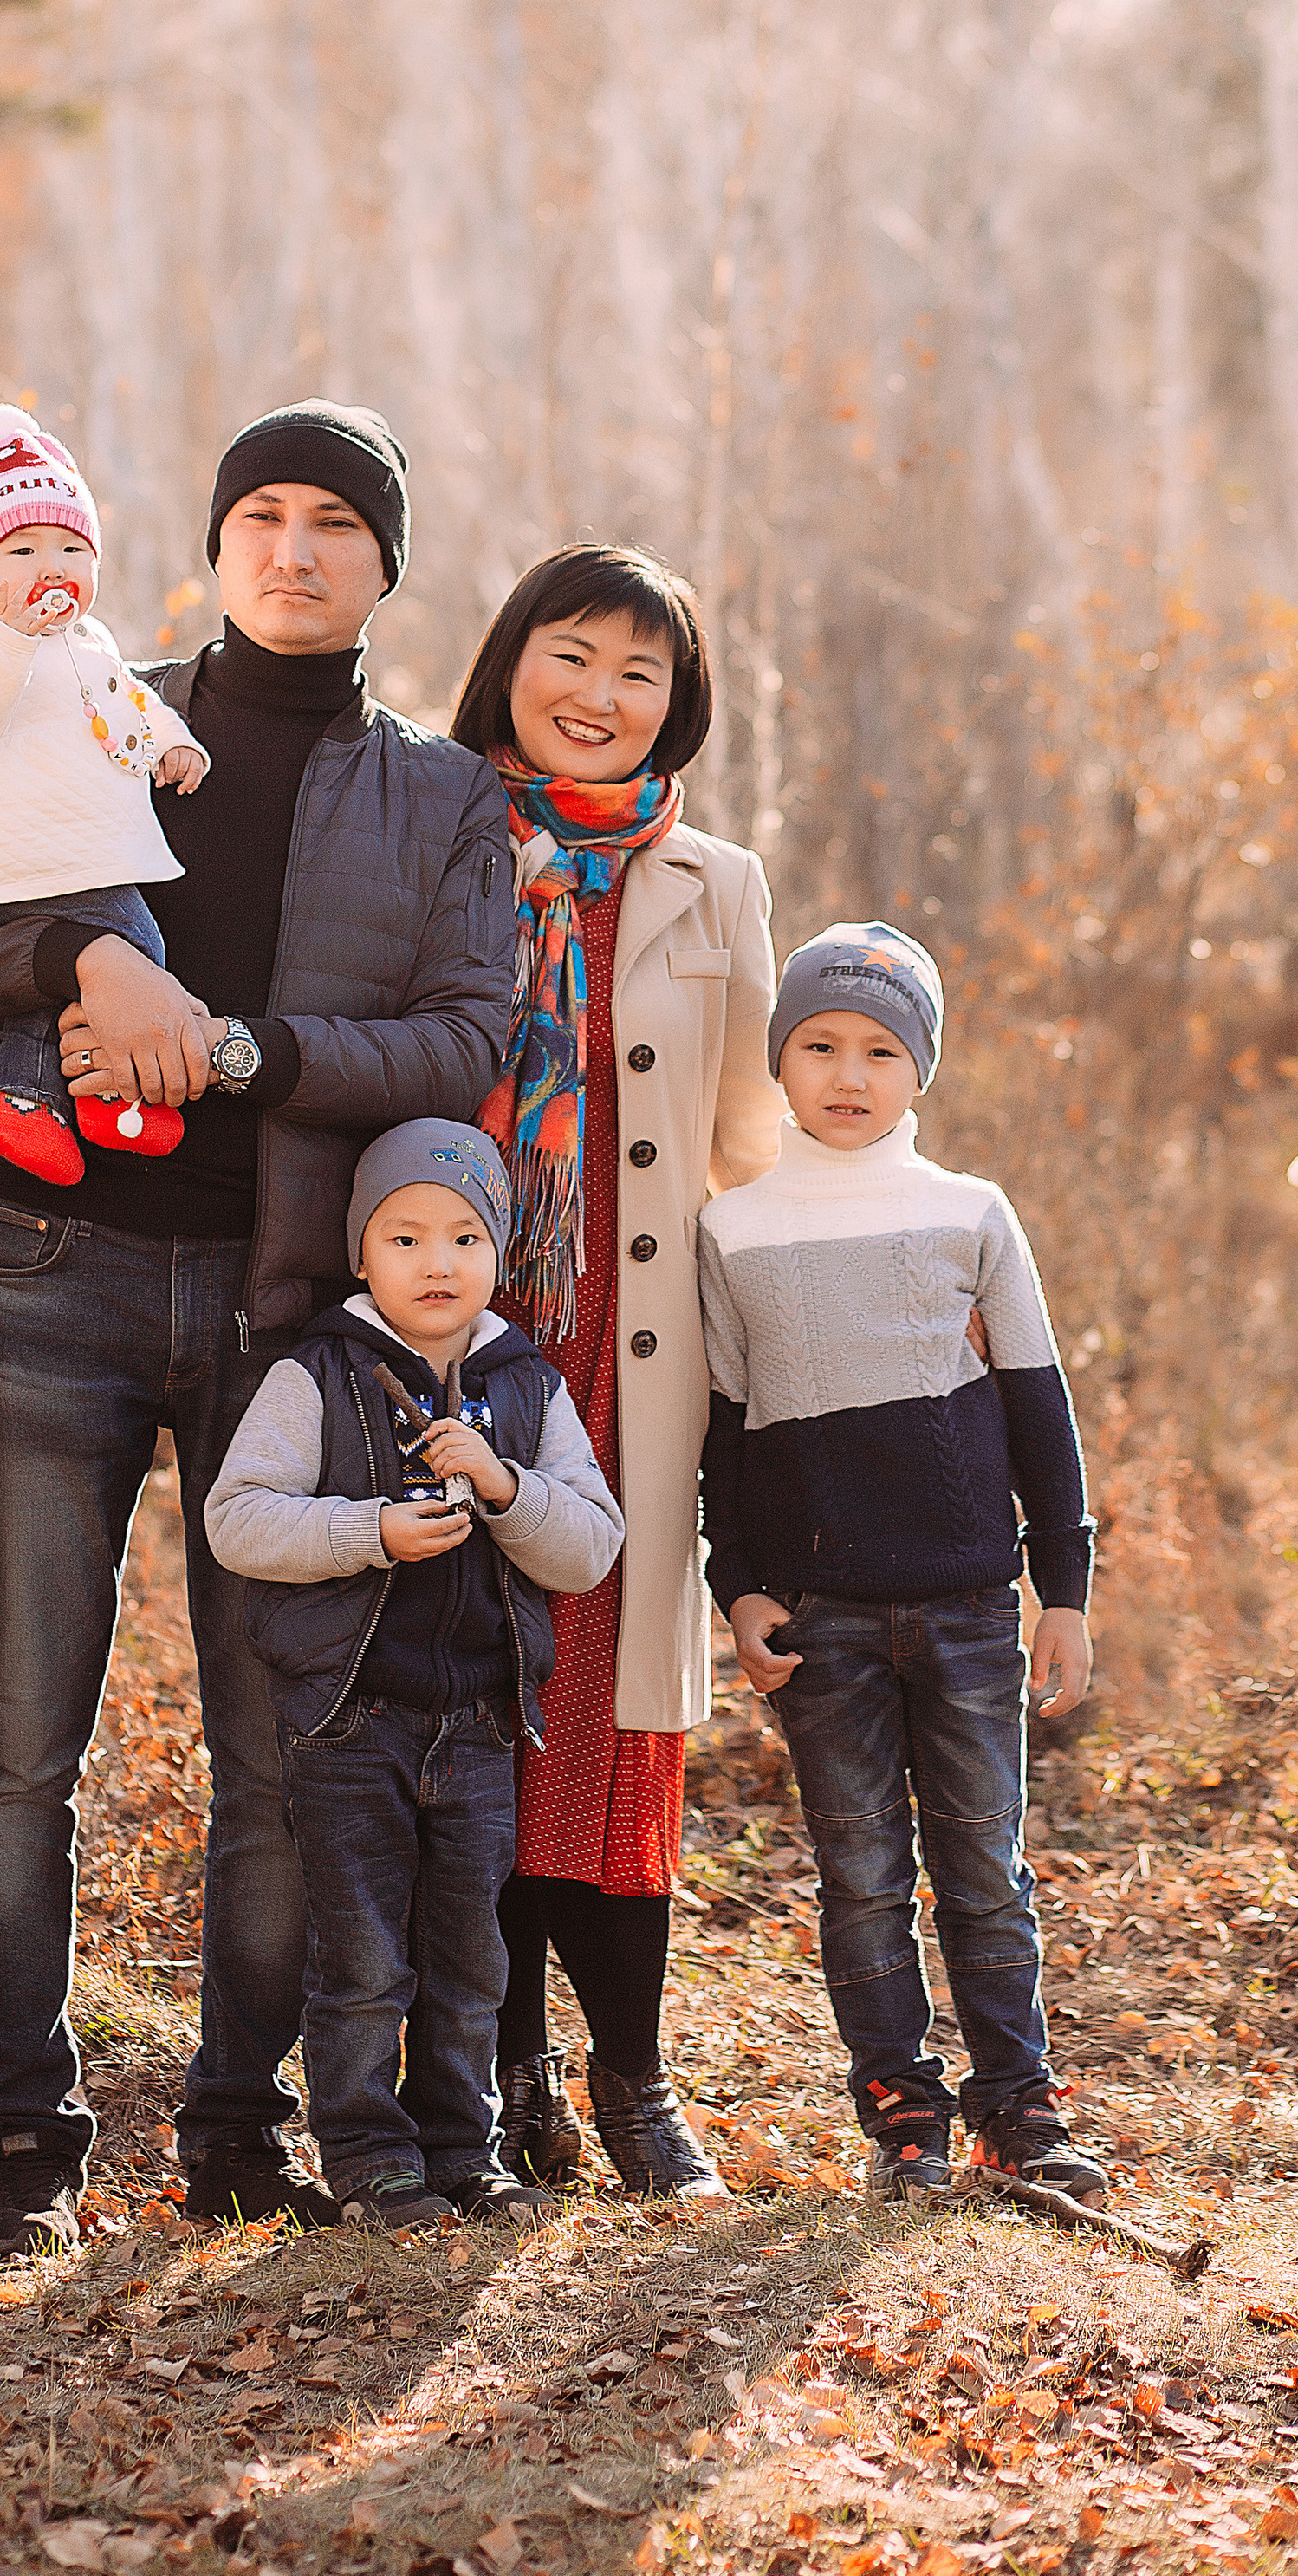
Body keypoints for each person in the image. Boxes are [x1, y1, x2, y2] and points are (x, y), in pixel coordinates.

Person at [0, 399, 519, 2252]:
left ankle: (233, 2133)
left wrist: (244, 1053)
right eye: (263, 513)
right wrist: (84, 954)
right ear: (214, 538)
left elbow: (469, 1040)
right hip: (46, 1274)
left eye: (336, 521)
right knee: (25, 1734)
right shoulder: (79, 688)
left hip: (288, 1313)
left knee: (276, 1741)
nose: (294, 546)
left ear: (385, 563)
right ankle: (23, 2145)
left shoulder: (435, 794)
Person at [449, 545, 779, 2201]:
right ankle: (504, 2071)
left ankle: (635, 2080)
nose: (598, 694)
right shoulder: (441, 836)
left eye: (639, 671)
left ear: (679, 703)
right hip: (469, 1346)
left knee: (620, 1719)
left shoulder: (716, 882)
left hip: (634, 1362)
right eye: (568, 654)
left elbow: (751, 1151)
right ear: (511, 659)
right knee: (492, 1708)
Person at [698, 920, 1107, 2200]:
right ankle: (901, 2108)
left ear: (920, 1069)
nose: (848, 1074)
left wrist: (1066, 1592)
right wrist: (740, 1580)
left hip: (971, 1605)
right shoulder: (735, 1228)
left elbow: (1041, 1409)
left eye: (881, 1049)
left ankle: (1018, 2100)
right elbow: (724, 1429)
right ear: (781, 1062)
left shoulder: (970, 1214)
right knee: (862, 1871)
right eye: (818, 1045)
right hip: (822, 1618)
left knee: (986, 1862)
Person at [205, 1122, 623, 2228]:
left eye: (463, 1237)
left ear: (498, 1253)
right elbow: (235, 1520)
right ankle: (368, 2157)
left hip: (480, 1726)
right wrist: (369, 1532)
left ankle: (462, 2150)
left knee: (467, 1958)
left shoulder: (525, 1387)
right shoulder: (319, 1372)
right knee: (362, 1958)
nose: (435, 1263)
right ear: (362, 1255)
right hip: (351, 1722)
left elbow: (590, 1545)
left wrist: (503, 1488)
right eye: (404, 1237)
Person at [0, 406, 210, 1190]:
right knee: (126, 943)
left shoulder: (89, 643)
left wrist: (170, 742)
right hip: (4, 860)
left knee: (127, 949)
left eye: (72, 547)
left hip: (74, 854)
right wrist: (8, 639)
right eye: (24, 548)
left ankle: (86, 1101)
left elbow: (123, 700)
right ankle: (39, 1095)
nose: (52, 565)